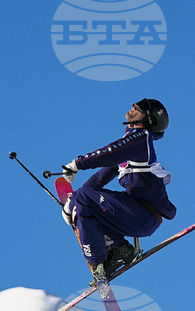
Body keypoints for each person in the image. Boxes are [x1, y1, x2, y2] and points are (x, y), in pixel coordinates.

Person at [62, 99, 176, 280]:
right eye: (135, 105)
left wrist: (78, 164)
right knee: (87, 202)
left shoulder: (140, 138)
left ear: (149, 120)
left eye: (140, 109)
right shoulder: (132, 147)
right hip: (134, 215)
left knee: (85, 198)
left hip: (143, 216)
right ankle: (118, 250)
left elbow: (109, 153)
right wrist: (73, 201)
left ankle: (98, 262)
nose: (134, 107)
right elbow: (100, 178)